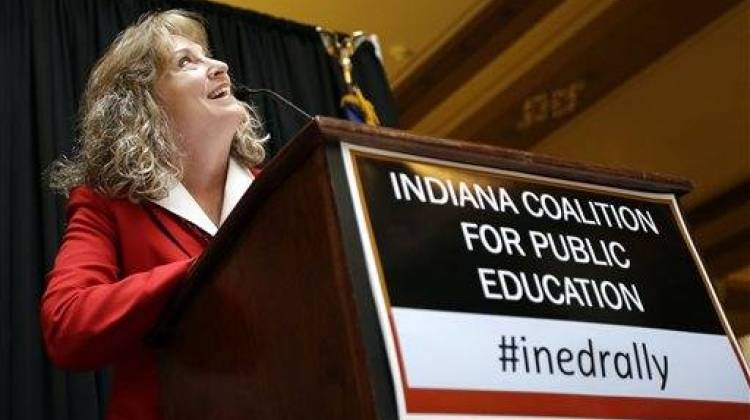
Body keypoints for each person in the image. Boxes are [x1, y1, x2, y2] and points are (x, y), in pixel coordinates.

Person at [41, 10, 266, 420]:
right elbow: (68, 325)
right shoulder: (106, 204)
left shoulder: (283, 189)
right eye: (187, 62)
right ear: (144, 106)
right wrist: (204, 271)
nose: (220, 68)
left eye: (208, 57)